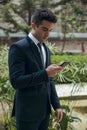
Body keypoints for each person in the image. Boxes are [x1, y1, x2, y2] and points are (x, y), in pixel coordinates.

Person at [8, 8, 64, 130]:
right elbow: (16, 81)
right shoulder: (18, 48)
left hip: (45, 113)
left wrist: (57, 105)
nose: (48, 34)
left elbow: (49, 80)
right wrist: (45, 73)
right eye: (44, 29)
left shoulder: (46, 49)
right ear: (34, 26)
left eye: (50, 30)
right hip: (27, 114)